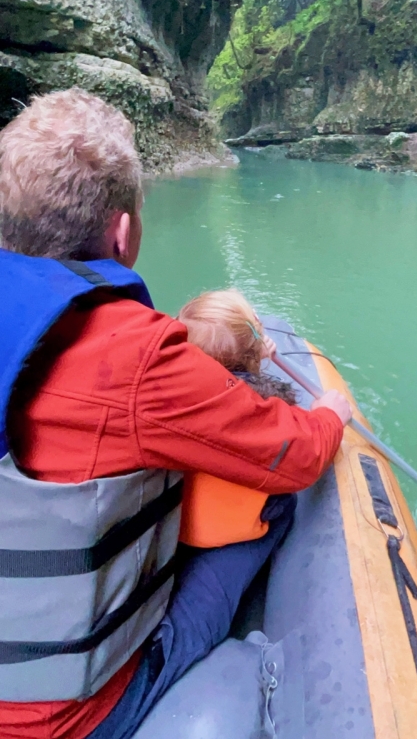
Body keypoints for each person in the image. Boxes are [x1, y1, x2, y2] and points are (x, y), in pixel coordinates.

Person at [0, 88, 352, 739]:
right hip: (67, 720)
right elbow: (295, 453)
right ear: (124, 233)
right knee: (273, 502)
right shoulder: (135, 356)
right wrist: (332, 409)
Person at [177, 288, 301, 549]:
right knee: (287, 501)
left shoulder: (171, 397)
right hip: (222, 534)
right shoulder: (268, 408)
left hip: (175, 524)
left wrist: (254, 355)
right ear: (252, 351)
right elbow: (303, 447)